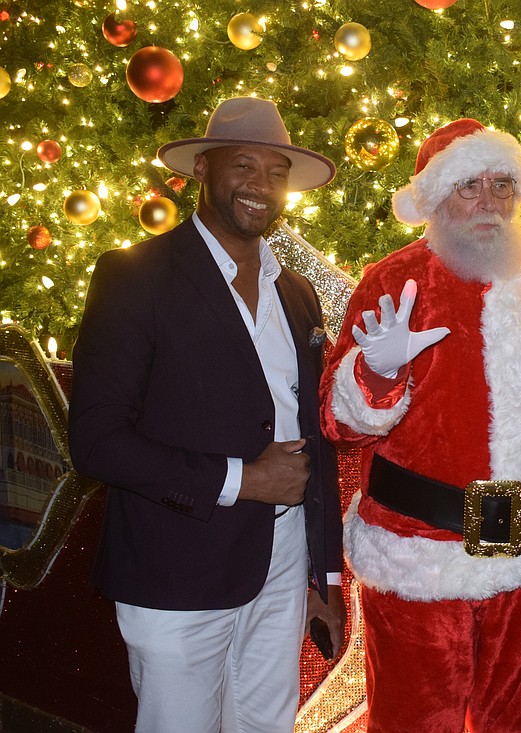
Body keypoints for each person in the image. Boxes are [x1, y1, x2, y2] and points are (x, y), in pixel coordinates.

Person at [68, 97, 346, 733]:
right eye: (243, 165)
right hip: (176, 566)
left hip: (283, 561)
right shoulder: (136, 276)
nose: (260, 184)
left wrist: (323, 574)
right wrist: (243, 479)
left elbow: (315, 436)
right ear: (202, 168)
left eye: (276, 172)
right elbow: (97, 440)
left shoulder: (296, 292)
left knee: (266, 725)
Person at [319, 118, 521, 732]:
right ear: (435, 198)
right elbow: (336, 424)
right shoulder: (393, 280)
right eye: (469, 185)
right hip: (422, 561)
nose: (489, 200)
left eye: (501, 184)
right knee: (414, 721)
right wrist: (377, 374)